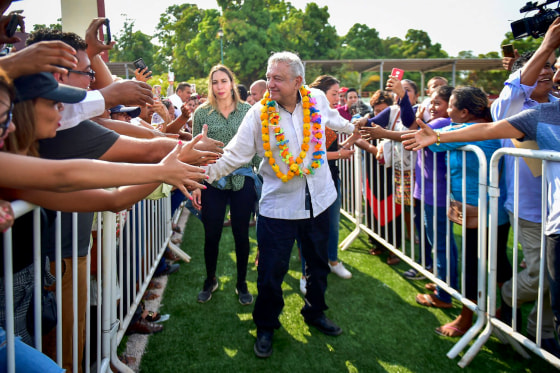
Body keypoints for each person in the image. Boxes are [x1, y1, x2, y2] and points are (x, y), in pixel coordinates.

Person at [204, 51, 358, 358]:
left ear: (298, 81)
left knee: (317, 266)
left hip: (321, 200)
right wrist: (201, 174)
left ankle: (315, 312)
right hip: (278, 207)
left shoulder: (315, 98)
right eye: (269, 76)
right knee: (271, 272)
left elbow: (335, 120)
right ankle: (266, 325)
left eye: (278, 78)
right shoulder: (259, 113)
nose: (269, 83)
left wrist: (358, 130)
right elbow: (235, 155)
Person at [402, 87, 512, 337]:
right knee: (496, 263)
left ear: (464, 112)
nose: (447, 111)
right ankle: (503, 312)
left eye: (450, 106)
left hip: (484, 212)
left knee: (476, 265)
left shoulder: (470, 132)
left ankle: (467, 319)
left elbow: (435, 143)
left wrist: (428, 135)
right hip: (488, 210)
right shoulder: (474, 128)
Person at [489, 17, 560, 356]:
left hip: (556, 211)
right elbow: (516, 90)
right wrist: (547, 44)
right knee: (540, 277)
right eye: (539, 67)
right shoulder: (512, 108)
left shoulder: (557, 107)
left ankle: (540, 332)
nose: (546, 72)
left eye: (550, 66)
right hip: (530, 211)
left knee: (553, 278)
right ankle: (506, 297)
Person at [191, 65, 257, 305]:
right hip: (213, 182)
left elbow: (256, 148)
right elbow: (194, 151)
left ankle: (241, 283)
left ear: (232, 82)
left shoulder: (248, 111)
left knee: (242, 235)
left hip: (243, 181)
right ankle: (210, 280)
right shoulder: (201, 113)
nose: (219, 87)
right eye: (215, 82)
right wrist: (197, 183)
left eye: (223, 81)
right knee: (212, 235)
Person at [298, 75, 353, 294]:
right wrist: (340, 153)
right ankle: (305, 272)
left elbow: (349, 132)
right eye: (334, 94)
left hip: (332, 176)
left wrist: (357, 133)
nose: (338, 98)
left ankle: (333, 260)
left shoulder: (334, 117)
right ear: (320, 94)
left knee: (332, 223)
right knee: (307, 231)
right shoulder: (308, 116)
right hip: (309, 180)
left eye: (340, 94)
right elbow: (313, 155)